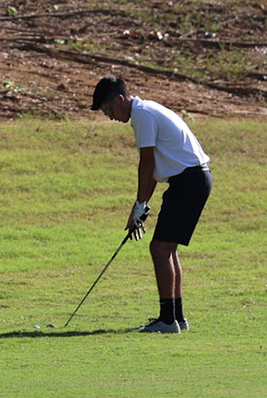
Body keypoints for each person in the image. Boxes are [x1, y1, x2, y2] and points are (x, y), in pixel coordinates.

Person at [91, 74, 212, 334]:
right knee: (167, 249)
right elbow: (155, 169)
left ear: (121, 99)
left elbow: (146, 164)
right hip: (193, 180)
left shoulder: (142, 115)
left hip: (189, 181)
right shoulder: (146, 111)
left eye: (109, 110)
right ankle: (176, 318)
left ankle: (167, 320)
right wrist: (141, 209)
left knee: (160, 249)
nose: (110, 117)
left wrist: (138, 206)